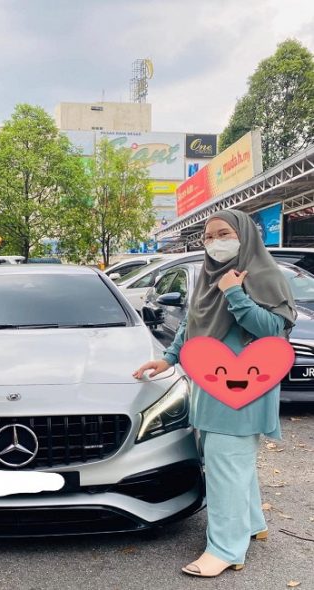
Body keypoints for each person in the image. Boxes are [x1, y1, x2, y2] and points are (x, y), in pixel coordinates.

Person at [133, 210, 296, 578]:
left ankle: (225, 549)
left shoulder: (264, 276)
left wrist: (235, 293)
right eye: (208, 237)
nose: (214, 243)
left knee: (226, 467)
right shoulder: (210, 278)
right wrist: (169, 358)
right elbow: (193, 326)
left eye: (224, 234)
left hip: (245, 388)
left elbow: (271, 331)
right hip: (210, 386)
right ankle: (252, 523)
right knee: (231, 463)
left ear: (245, 236)